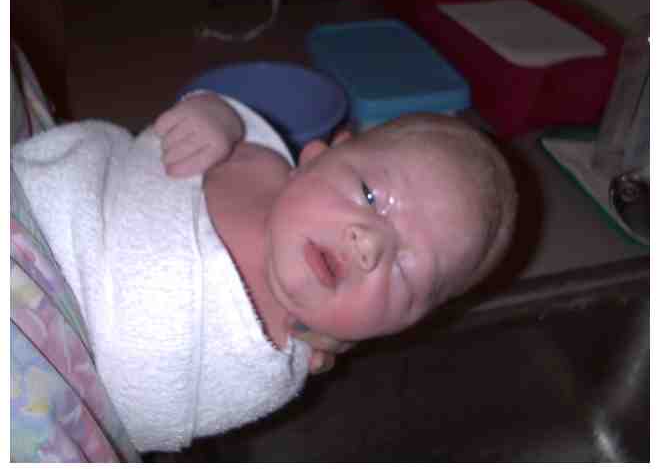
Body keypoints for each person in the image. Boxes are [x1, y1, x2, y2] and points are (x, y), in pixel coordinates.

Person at [11, 91, 517, 453]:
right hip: (39, 206)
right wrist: (217, 117)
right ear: (318, 156)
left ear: (393, 327)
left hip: (44, 350)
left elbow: (141, 415)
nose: (370, 245)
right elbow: (188, 126)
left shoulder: (272, 367)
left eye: (404, 271)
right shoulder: (257, 156)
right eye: (369, 195)